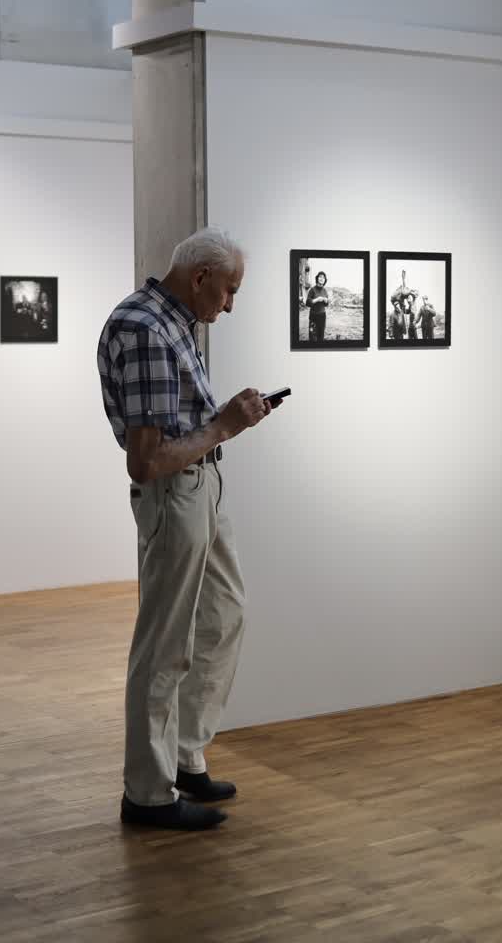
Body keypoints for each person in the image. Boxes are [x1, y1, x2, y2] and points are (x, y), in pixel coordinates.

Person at [97, 227, 278, 832]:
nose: (230, 305)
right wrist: (226, 425)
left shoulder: (177, 323)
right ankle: (148, 793)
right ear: (200, 277)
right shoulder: (147, 329)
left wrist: (223, 424)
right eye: (229, 291)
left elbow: (180, 426)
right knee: (165, 643)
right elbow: (146, 462)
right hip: (175, 493)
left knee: (224, 616)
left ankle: (183, 755)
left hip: (202, 486)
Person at [390, 270, 418, 340]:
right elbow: (391, 325)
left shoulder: (402, 310)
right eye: (396, 306)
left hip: (401, 332)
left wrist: (410, 305)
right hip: (396, 333)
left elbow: (407, 311)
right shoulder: (393, 314)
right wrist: (391, 334)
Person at [306, 271, 330, 342]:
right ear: (317, 278)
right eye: (320, 277)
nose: (322, 278)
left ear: (325, 280)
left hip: (322, 316)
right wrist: (317, 299)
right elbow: (307, 303)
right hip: (313, 316)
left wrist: (326, 301)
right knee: (312, 337)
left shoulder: (325, 290)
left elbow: (326, 304)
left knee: (321, 336)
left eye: (323, 277)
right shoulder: (312, 290)